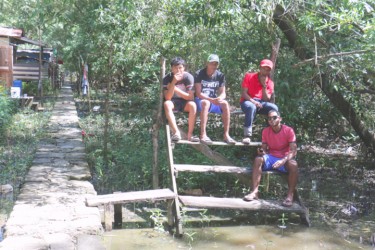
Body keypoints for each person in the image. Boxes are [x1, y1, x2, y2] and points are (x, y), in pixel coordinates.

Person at [243, 110, 298, 207]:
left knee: (294, 165)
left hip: (284, 158)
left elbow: (293, 151)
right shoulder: (265, 131)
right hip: (271, 157)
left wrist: (283, 160)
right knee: (258, 159)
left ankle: (290, 195)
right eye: (269, 118)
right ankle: (255, 192)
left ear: (280, 119)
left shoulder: (288, 130)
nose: (271, 120)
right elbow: (264, 150)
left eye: (274, 117)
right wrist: (261, 152)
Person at [194, 54, 236, 145]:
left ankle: (226, 135)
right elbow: (198, 93)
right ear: (207, 63)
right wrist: (211, 100)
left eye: (216, 64)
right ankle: (203, 134)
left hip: (213, 101)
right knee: (206, 102)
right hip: (200, 101)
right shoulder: (199, 74)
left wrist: (219, 98)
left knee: (225, 103)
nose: (214, 66)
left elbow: (223, 93)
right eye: (212, 63)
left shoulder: (220, 75)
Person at [240, 59, 279, 144]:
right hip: (248, 101)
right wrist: (254, 102)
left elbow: (266, 99)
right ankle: (247, 136)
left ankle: (273, 134)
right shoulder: (249, 76)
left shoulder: (270, 83)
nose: (265, 71)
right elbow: (244, 94)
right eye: (264, 68)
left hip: (261, 103)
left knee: (274, 108)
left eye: (268, 69)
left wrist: (264, 86)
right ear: (260, 68)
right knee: (251, 106)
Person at [163, 57, 199, 142]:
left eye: (180, 68)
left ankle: (190, 134)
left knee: (193, 105)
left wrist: (174, 88)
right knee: (166, 104)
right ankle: (176, 133)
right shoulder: (167, 78)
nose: (178, 70)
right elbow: (167, 98)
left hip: (185, 102)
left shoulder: (188, 77)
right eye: (175, 68)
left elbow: (190, 97)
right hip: (173, 102)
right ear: (172, 68)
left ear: (184, 68)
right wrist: (174, 81)